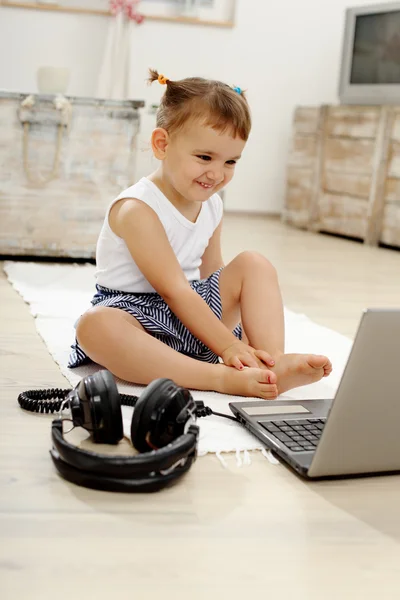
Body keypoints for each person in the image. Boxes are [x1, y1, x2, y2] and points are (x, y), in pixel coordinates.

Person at [68, 69, 332, 399]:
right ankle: (217, 377)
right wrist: (228, 345)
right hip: (136, 317)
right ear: (162, 144)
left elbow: (210, 275)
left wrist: (235, 338)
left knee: (254, 264)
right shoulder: (138, 209)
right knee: (94, 326)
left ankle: (267, 363)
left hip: (194, 312)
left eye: (231, 162)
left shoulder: (211, 206)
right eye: (205, 157)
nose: (217, 173)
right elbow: (174, 290)